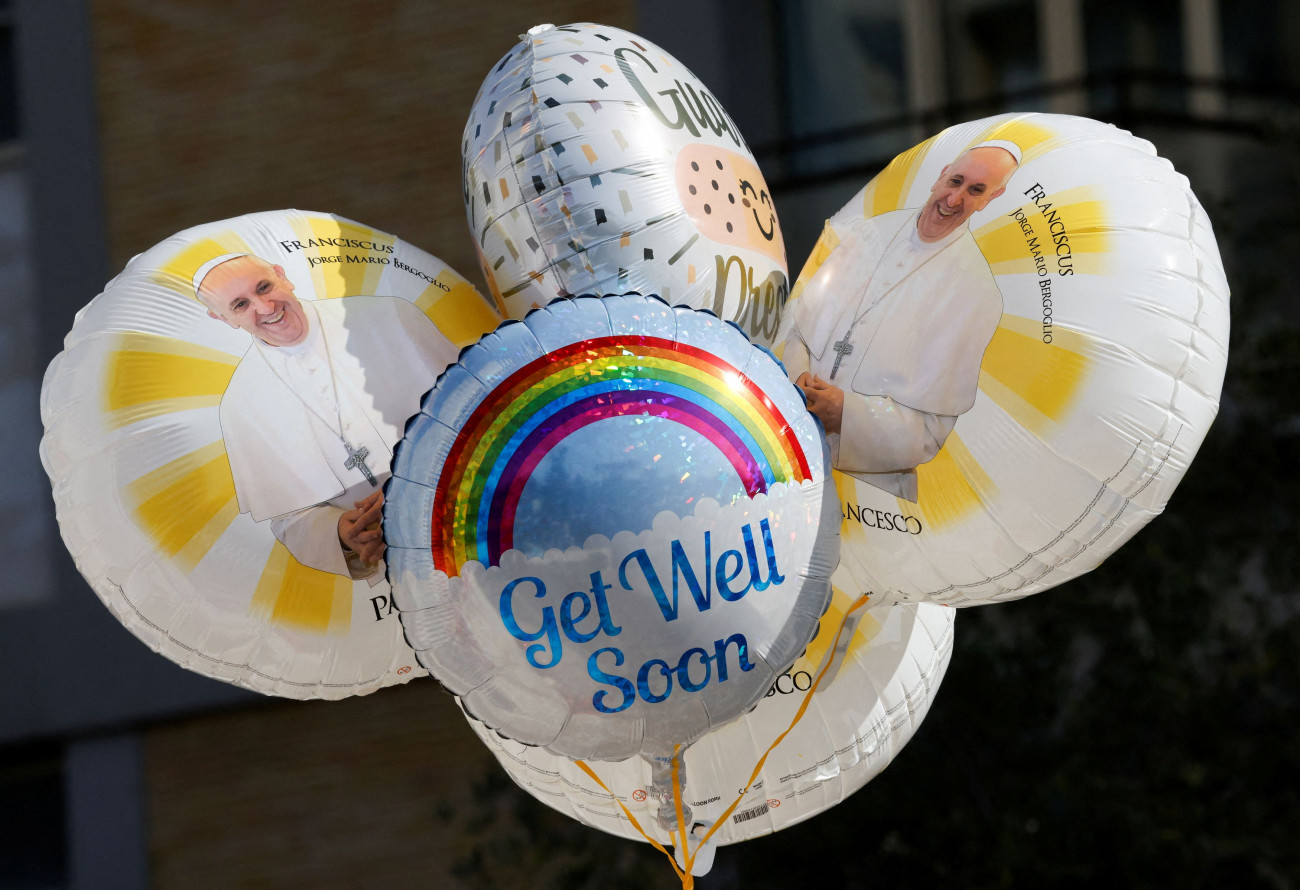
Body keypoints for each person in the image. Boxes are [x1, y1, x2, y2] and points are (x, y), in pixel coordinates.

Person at [781, 141, 1020, 502]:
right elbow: (800, 329)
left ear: (991, 198)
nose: (954, 199)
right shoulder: (871, 232)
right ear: (941, 176)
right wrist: (798, 378)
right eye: (955, 181)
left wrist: (846, 413)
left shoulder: (977, 292)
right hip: (786, 451)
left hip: (871, 497)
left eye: (976, 190)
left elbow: (928, 433)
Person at [195, 253, 458, 580]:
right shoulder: (241, 403)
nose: (265, 307)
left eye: (264, 287)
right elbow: (289, 519)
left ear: (282, 275)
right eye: (240, 305)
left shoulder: (388, 315)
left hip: (483, 507)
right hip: (409, 568)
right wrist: (341, 533)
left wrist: (412, 487)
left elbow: (484, 407)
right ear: (222, 318)